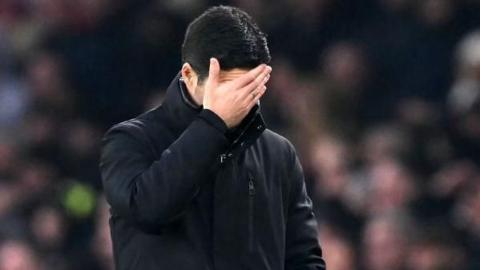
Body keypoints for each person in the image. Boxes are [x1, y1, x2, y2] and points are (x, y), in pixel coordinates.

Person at [100, 5, 326, 270]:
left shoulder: (277, 153)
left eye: (251, 87)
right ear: (188, 75)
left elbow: (303, 257)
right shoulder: (130, 140)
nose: (240, 99)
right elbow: (147, 210)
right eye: (228, 86)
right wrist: (213, 124)